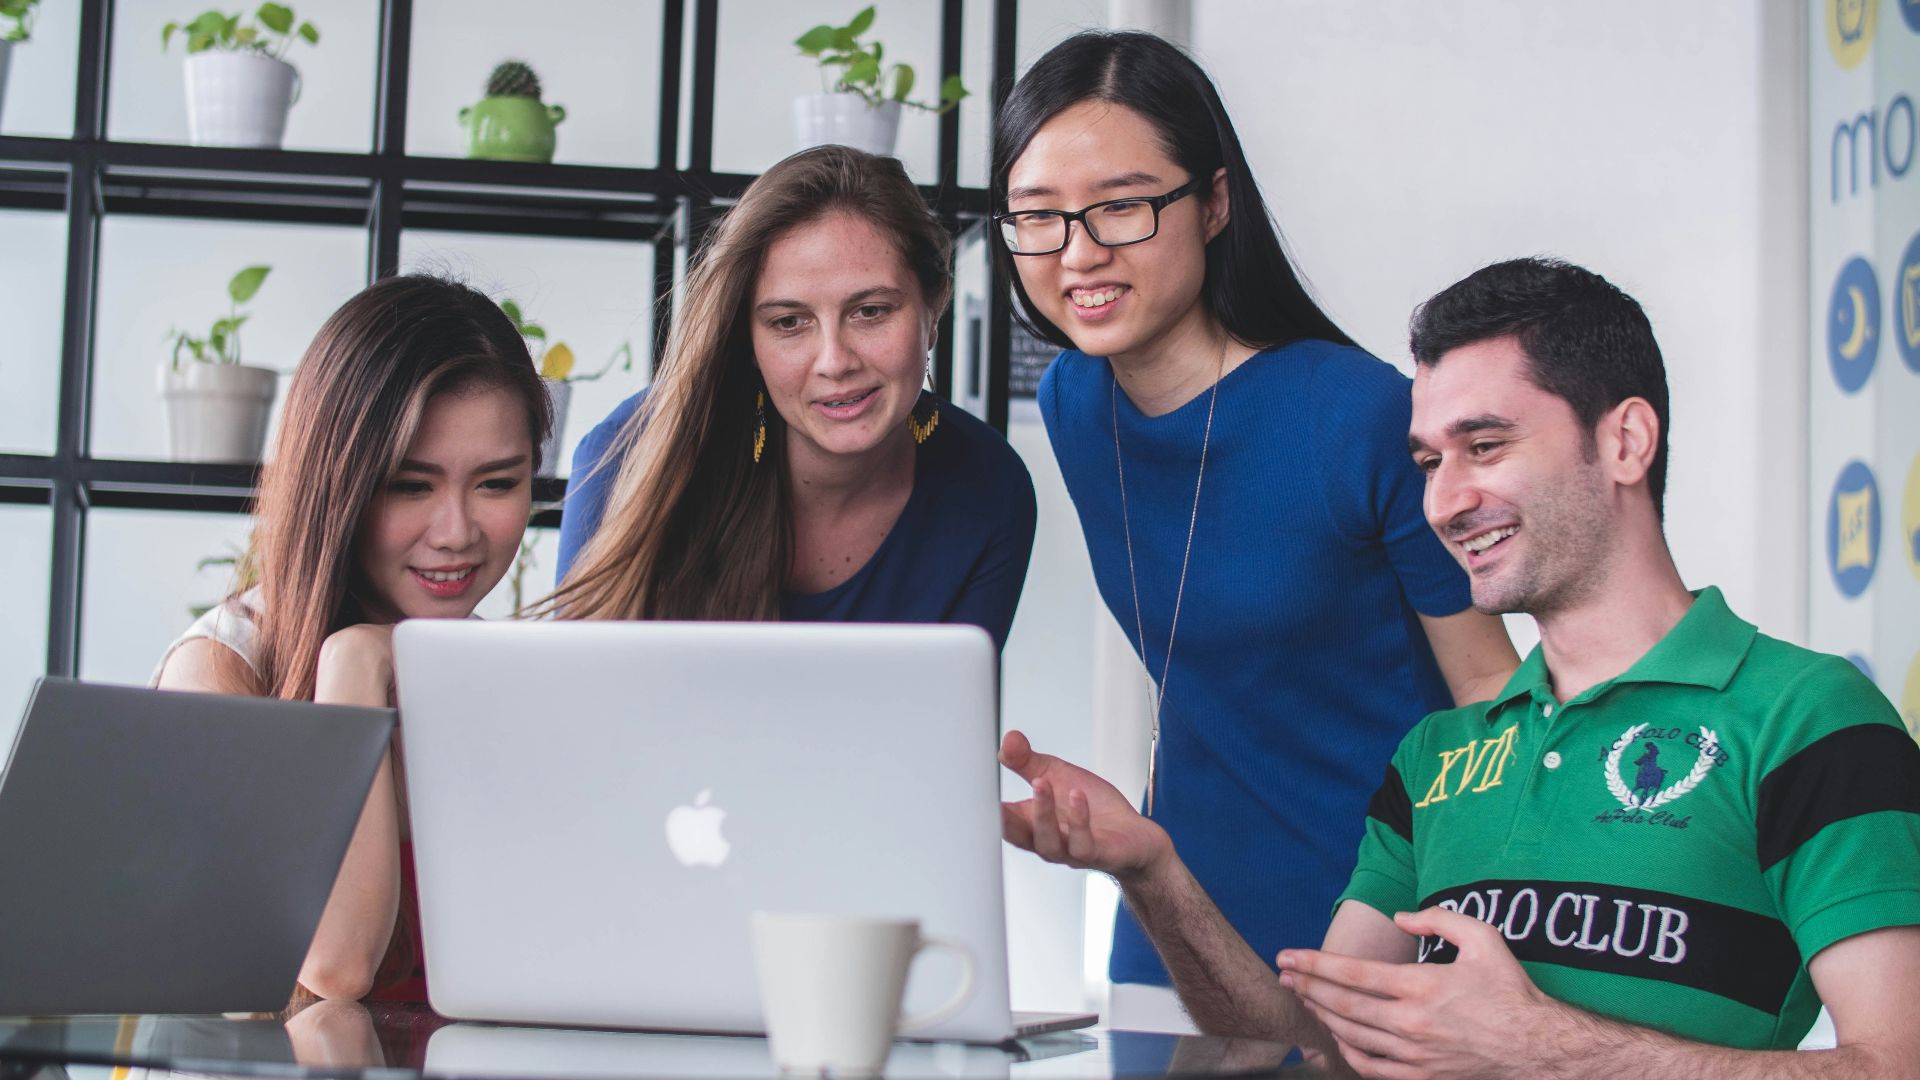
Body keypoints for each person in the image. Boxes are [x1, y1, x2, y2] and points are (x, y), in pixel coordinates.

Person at [1001, 258, 1920, 1075]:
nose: (1445, 500)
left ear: (1625, 441)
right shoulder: (1436, 756)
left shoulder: (1809, 717)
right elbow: (1316, 1047)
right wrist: (1153, 869)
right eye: (1429, 461)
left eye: (1486, 447)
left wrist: (1544, 1048)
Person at [988, 30, 1518, 1025]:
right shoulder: (1073, 402)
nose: (1079, 253)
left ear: (1215, 201)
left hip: (1379, 935)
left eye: (1123, 206)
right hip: (1174, 926)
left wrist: (1483, 934)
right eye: (1039, 218)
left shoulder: (1356, 414)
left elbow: (1489, 693)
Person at [154, 275, 550, 1001]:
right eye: (410, 485)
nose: (456, 533)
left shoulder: (499, 676)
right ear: (338, 484)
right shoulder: (219, 668)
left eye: (496, 484)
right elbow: (334, 965)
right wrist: (353, 668)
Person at [550, 146, 1036, 649]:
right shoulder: (629, 454)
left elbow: (947, 719)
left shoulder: (990, 489)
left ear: (933, 309)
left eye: (870, 311)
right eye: (789, 322)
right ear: (748, 339)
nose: (834, 360)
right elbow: (579, 706)